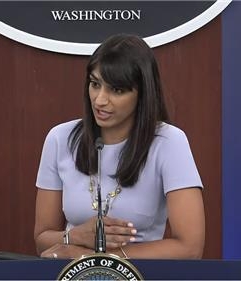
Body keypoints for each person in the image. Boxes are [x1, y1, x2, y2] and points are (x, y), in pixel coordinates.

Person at [34, 33, 205, 260]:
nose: (100, 100)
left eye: (117, 90)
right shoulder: (60, 138)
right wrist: (73, 237)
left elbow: (190, 248)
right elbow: (42, 240)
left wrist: (100, 259)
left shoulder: (169, 142)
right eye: (95, 84)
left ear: (142, 93)